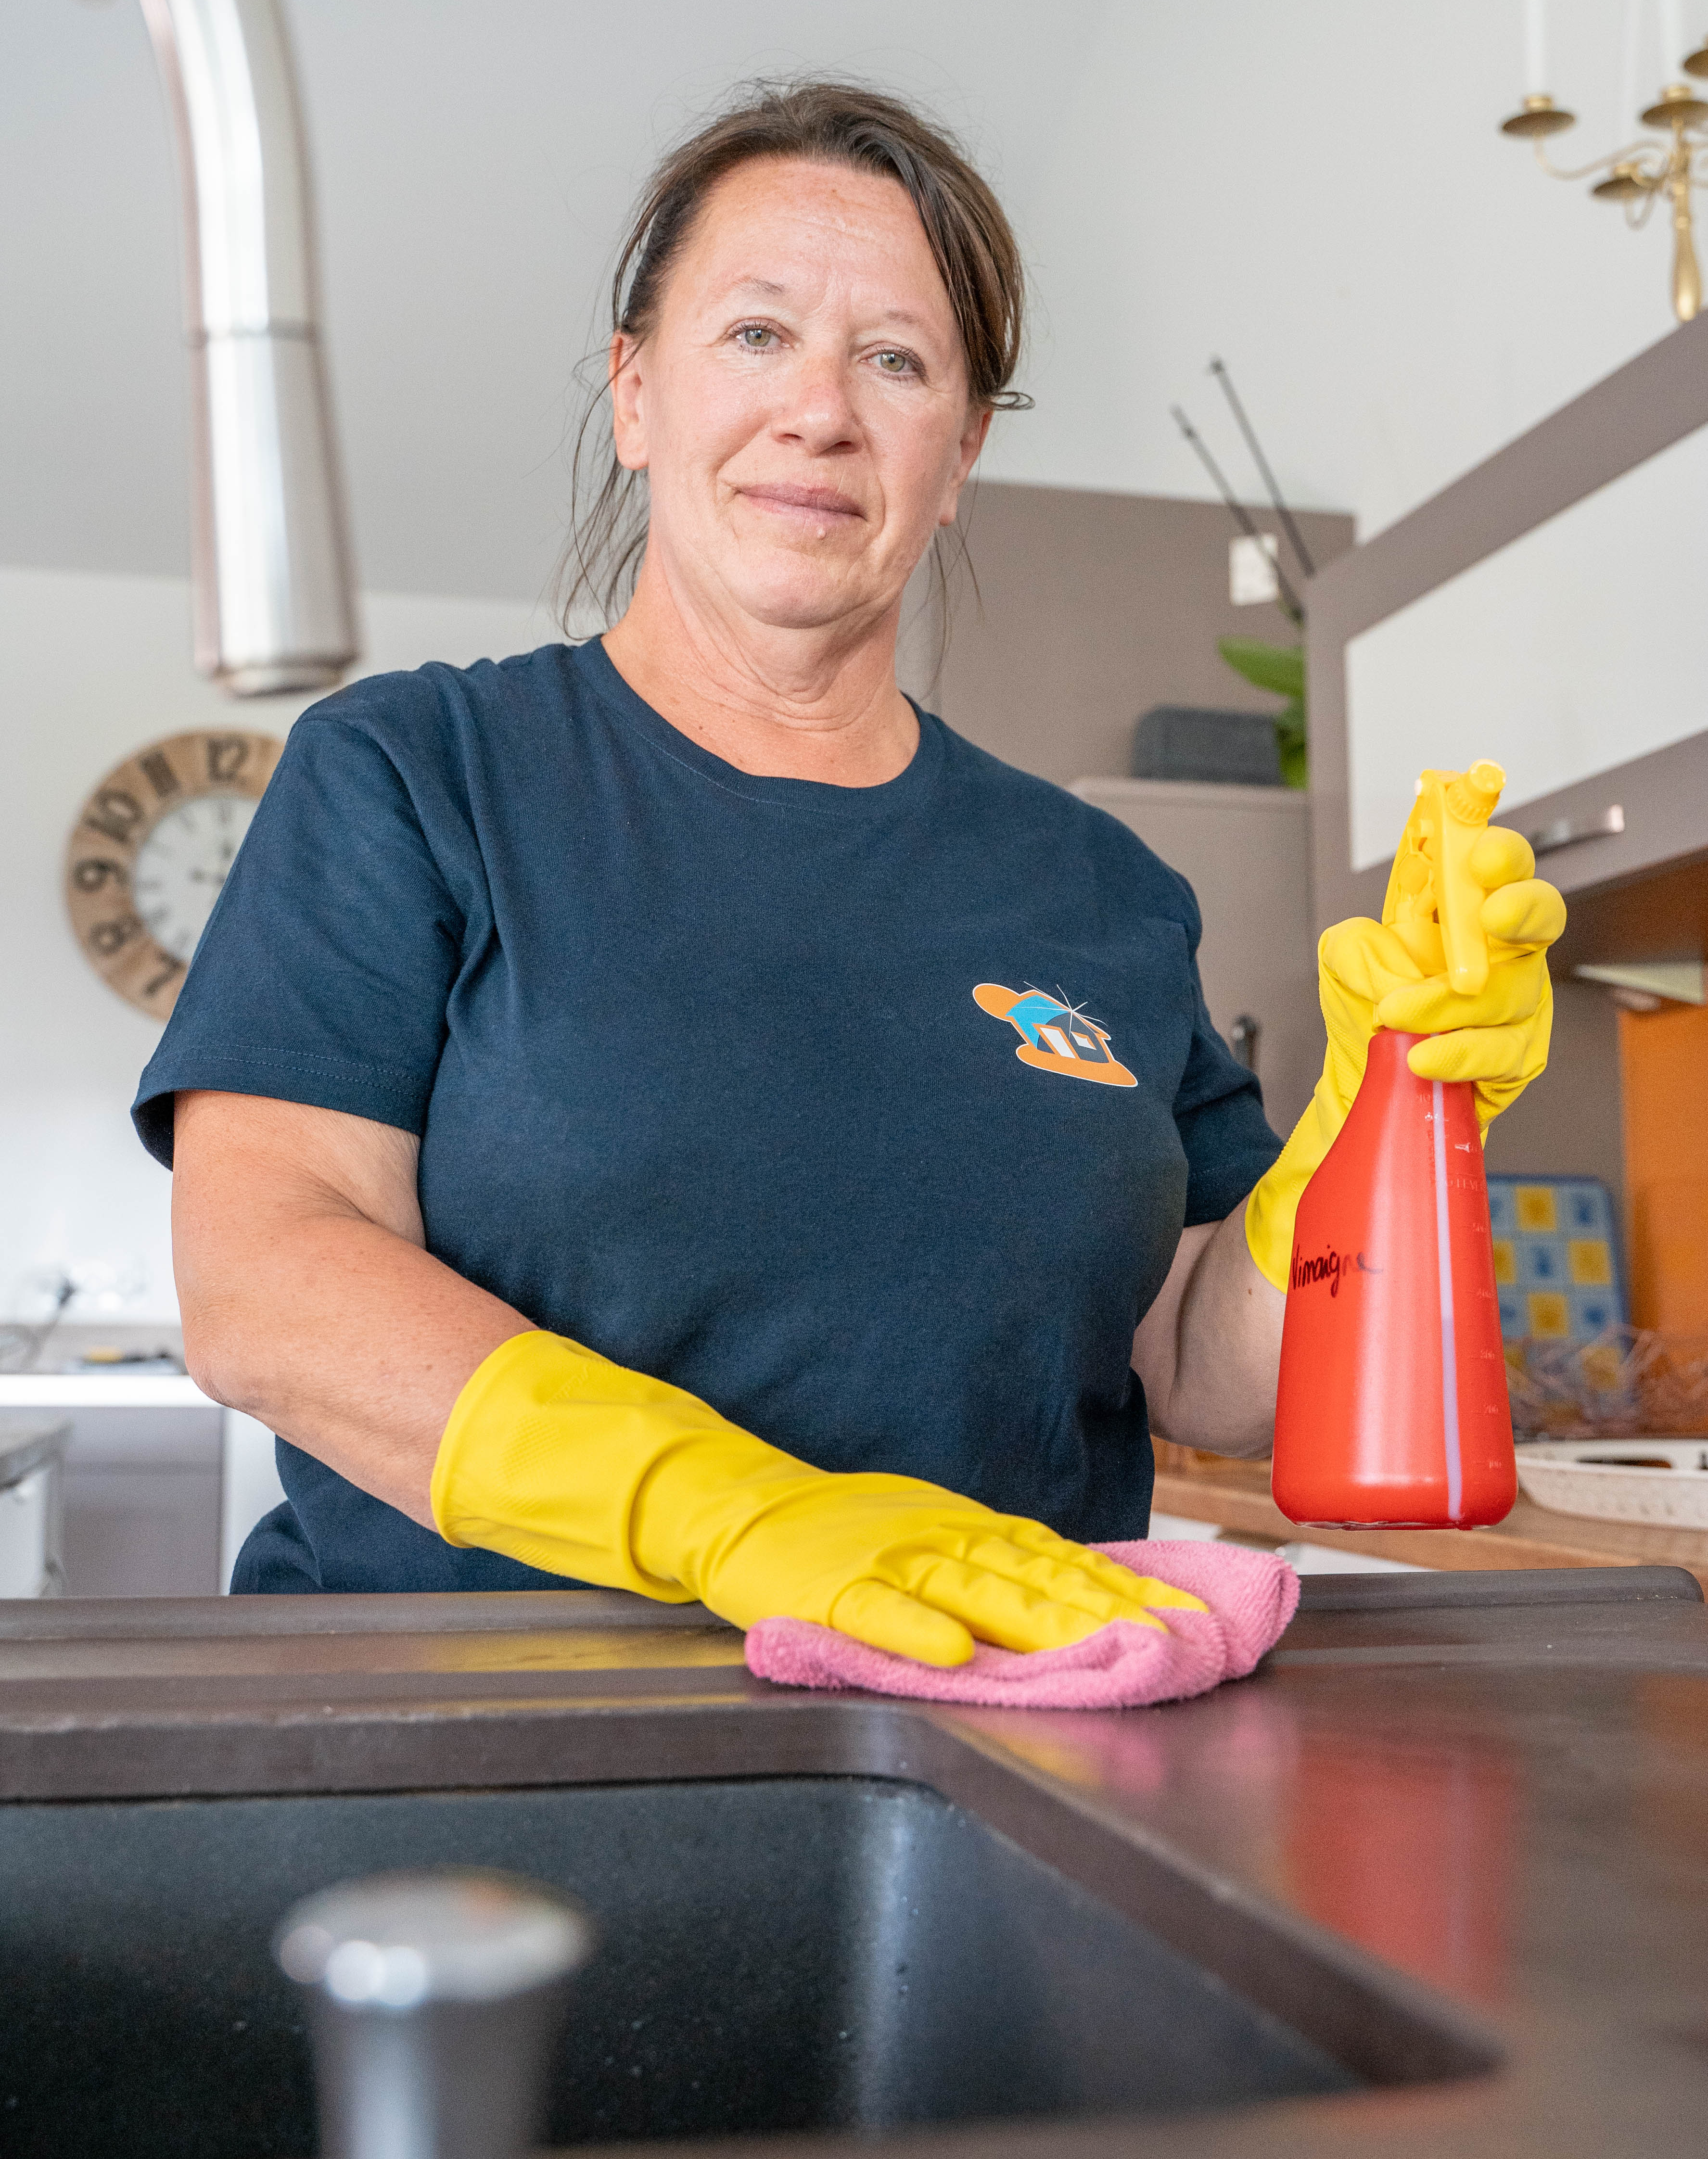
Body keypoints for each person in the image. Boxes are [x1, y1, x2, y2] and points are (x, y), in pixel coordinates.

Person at [136, 81, 1563, 1658]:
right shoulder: (419, 776)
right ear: (634, 395)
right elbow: (265, 1280)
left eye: (896, 360)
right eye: (757, 334)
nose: (820, 411)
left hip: (1004, 1737)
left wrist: (1385, 1117)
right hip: (481, 1738)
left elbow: (1200, 1370)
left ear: (957, 457)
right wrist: (725, 1514)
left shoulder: (1103, 889)